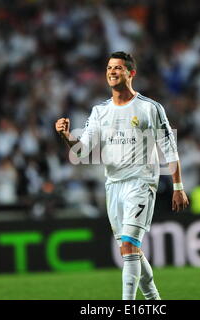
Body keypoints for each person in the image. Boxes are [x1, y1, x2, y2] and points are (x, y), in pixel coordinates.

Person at [55, 51, 189, 300]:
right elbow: (82, 151)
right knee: (131, 252)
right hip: (113, 185)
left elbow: (170, 148)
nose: (112, 72)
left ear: (131, 73)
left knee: (129, 246)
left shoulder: (150, 108)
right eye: (109, 68)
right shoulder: (99, 111)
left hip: (141, 183)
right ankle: (154, 301)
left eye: (118, 68)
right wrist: (66, 136)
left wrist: (178, 186)